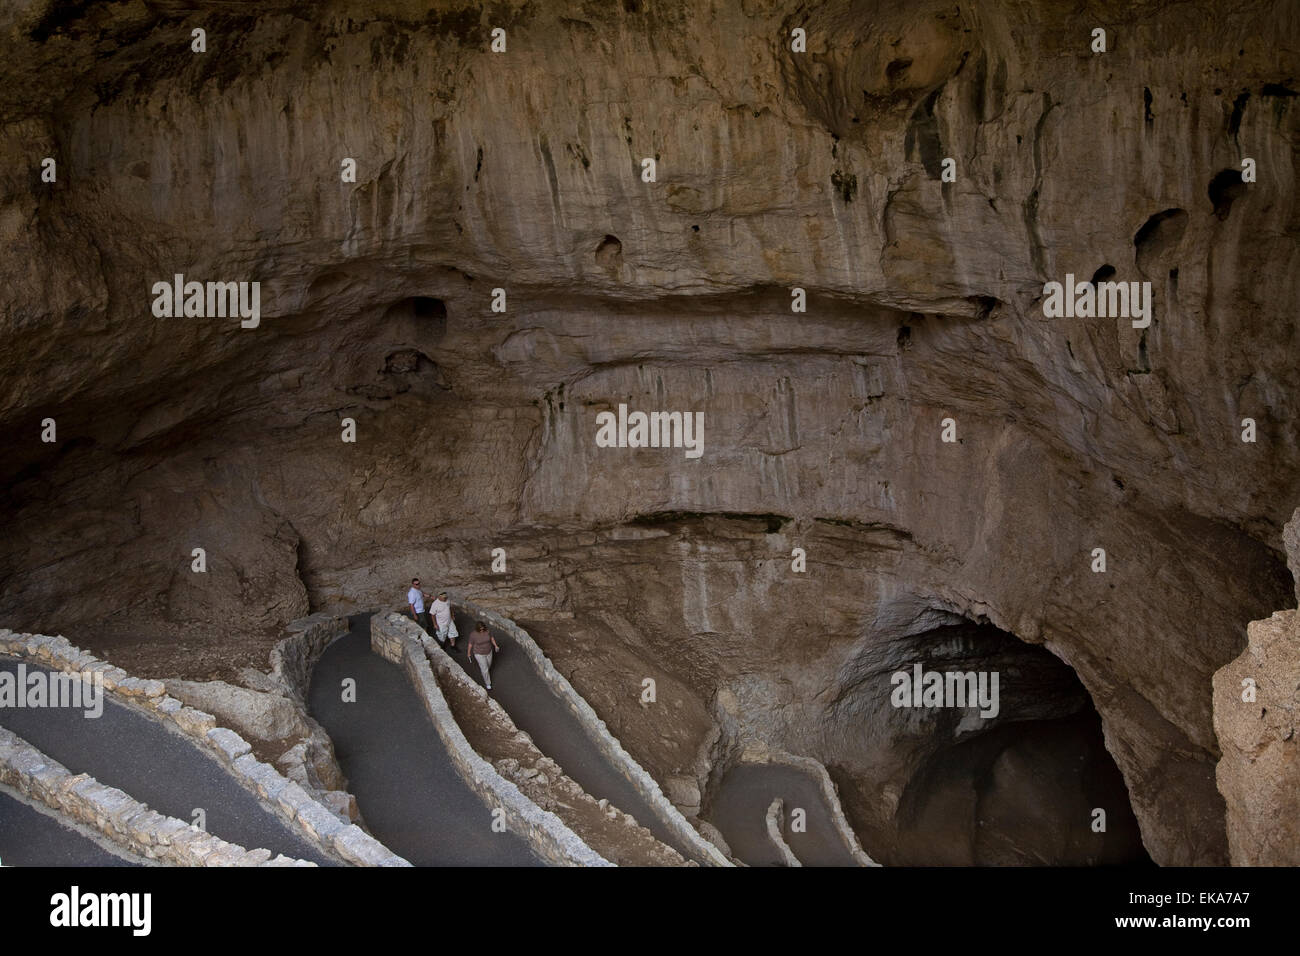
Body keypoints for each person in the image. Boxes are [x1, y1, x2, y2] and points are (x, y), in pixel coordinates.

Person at [467, 621, 499, 690]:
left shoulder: (487, 631)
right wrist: (468, 652)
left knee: (488, 665)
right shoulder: (473, 635)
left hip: (489, 651)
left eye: (483, 629)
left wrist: (495, 645)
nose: (482, 630)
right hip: (479, 653)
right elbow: (470, 644)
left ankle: (485, 672)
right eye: (480, 629)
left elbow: (492, 638)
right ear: (477, 629)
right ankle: (488, 683)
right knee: (485, 669)